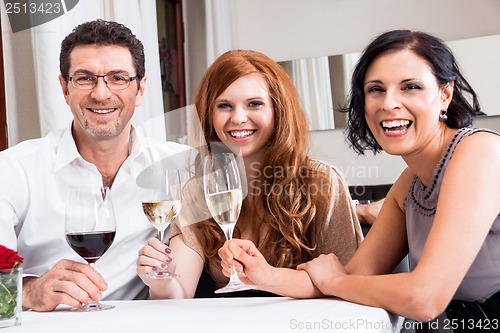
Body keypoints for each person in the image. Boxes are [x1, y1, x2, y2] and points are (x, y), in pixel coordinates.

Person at [223, 30, 500, 326]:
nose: (389, 103)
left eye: (411, 87)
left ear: (445, 94)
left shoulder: (482, 153)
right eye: (376, 89)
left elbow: (424, 298)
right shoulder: (409, 184)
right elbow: (355, 275)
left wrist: (336, 283)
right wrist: (263, 274)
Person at [136, 49, 364, 298]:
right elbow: (179, 293)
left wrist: (267, 277)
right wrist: (161, 279)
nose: (238, 117)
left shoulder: (321, 181)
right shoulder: (196, 191)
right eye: (224, 106)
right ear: (208, 116)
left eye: (254, 104)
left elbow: (351, 284)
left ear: (278, 111)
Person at [0, 19, 190, 311]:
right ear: (65, 89)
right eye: (85, 78)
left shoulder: (178, 167)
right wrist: (30, 292)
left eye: (118, 78)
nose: (101, 94)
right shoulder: (14, 170)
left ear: (140, 90)